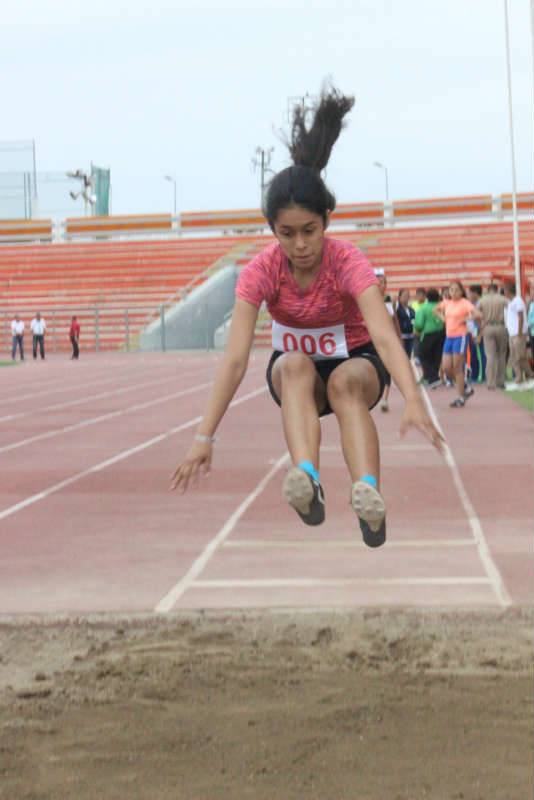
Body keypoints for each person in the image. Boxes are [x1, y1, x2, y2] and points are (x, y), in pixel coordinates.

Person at [170, 86, 444, 549]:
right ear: (273, 230)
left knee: (345, 385)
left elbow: (381, 331)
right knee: (294, 364)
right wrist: (204, 436)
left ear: (328, 222)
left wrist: (414, 394)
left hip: (355, 359)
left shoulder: (347, 261)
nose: (300, 245)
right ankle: (308, 480)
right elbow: (235, 360)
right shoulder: (261, 271)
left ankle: (367, 496)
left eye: (309, 231)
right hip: (296, 369)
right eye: (287, 233)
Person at [434, 280, 481, 408]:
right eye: (451, 290)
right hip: (449, 338)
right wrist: (443, 318)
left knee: (457, 367)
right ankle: (465, 387)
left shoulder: (464, 303)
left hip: (460, 337)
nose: (453, 292)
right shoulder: (447, 303)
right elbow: (435, 310)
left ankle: (460, 397)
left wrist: (467, 318)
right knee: (446, 368)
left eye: (456, 290)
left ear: (461, 291)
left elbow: (478, 314)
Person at [375, 269, 401, 412]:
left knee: (387, 369)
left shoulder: (390, 300)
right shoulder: (369, 300)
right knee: (376, 367)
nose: (380, 285)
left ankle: (384, 399)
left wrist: (399, 337)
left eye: (383, 282)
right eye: (378, 282)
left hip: (388, 339)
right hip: (373, 339)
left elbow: (395, 319)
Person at [503, 282, 534, 389]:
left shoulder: (518, 301)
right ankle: (519, 376)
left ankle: (530, 374)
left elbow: (520, 317)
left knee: (520, 356)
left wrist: (520, 332)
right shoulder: (510, 302)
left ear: (509, 291)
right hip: (512, 333)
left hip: (518, 333)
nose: (504, 292)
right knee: (513, 356)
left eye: (505, 290)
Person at [479, 283, 508, 390]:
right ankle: (500, 381)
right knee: (501, 354)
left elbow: (476, 312)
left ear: (488, 290)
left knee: (490, 355)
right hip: (501, 326)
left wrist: (481, 324)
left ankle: (490, 382)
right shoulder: (503, 299)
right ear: (497, 289)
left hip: (488, 327)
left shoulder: (482, 300)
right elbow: (511, 310)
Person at [413, 288, 445, 386]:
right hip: (441, 334)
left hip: (427, 335)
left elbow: (418, 323)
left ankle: (433, 376)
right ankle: (431, 378)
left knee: (423, 356)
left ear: (427, 297)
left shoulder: (423, 308)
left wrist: (417, 330)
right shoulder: (441, 307)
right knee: (436, 356)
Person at [466, 285, 486, 385]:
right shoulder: (472, 304)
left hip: (478, 332)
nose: (468, 295)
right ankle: (475, 375)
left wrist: (479, 335)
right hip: (472, 332)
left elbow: (482, 321)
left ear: (475, 293)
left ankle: (482, 376)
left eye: (470, 293)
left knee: (480, 355)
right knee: (473, 355)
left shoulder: (480, 304)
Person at [396, 288, 415, 358]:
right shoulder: (397, 310)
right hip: (402, 337)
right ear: (399, 297)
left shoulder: (411, 309)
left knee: (410, 356)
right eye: (404, 295)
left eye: (407, 296)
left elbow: (414, 320)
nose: (406, 297)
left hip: (411, 337)